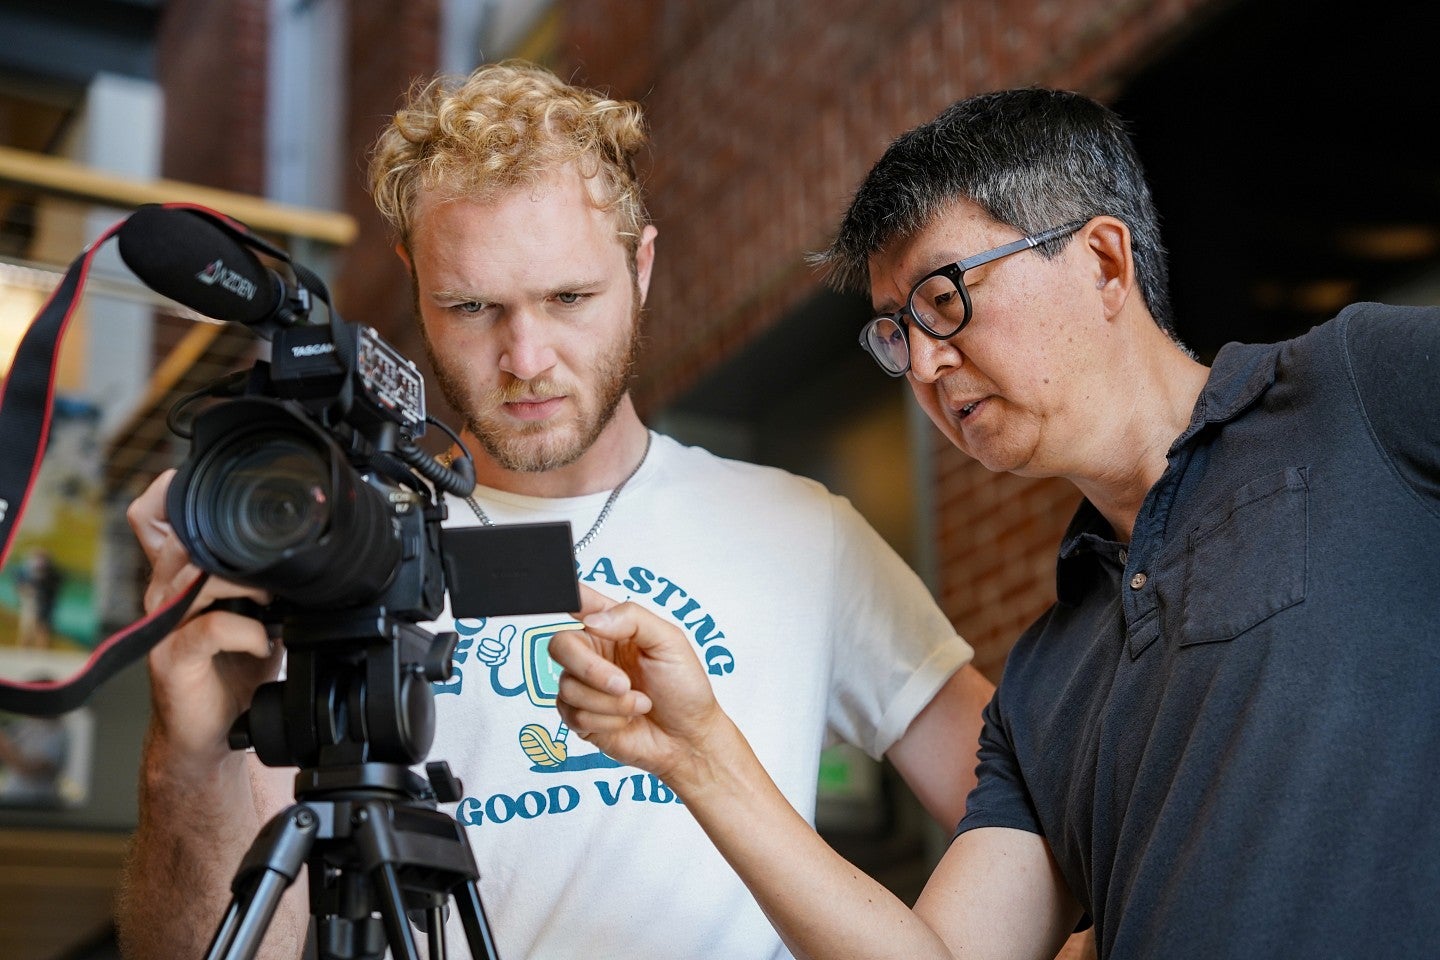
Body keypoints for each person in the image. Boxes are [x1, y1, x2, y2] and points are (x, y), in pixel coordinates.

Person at [114, 61, 999, 960]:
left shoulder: (804, 531)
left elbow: (1032, 809)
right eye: (471, 307)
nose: (526, 358)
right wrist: (183, 754)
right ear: (414, 281)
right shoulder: (330, 547)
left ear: (640, 266)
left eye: (570, 298)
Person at [549, 86, 1440, 960]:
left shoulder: (1357, 391)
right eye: (898, 332)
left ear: (1103, 263)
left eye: (946, 297)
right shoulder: (1045, 679)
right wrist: (701, 756)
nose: (929, 363)